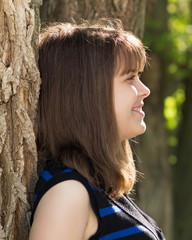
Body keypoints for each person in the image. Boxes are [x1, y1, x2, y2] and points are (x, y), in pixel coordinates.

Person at [29, 21, 165, 240]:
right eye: (130, 77)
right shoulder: (68, 193)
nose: (145, 90)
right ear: (87, 93)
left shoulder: (99, 187)